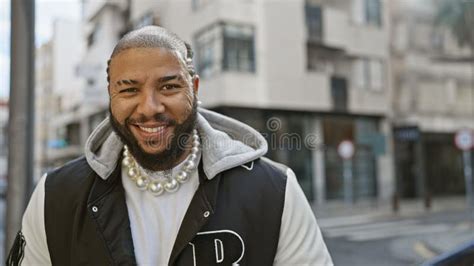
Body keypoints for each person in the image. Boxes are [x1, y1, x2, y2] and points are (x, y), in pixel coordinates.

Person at [7, 26, 333, 265]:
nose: (149, 107)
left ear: (193, 88)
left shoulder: (274, 191)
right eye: (129, 90)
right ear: (110, 96)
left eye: (168, 86)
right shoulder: (57, 196)